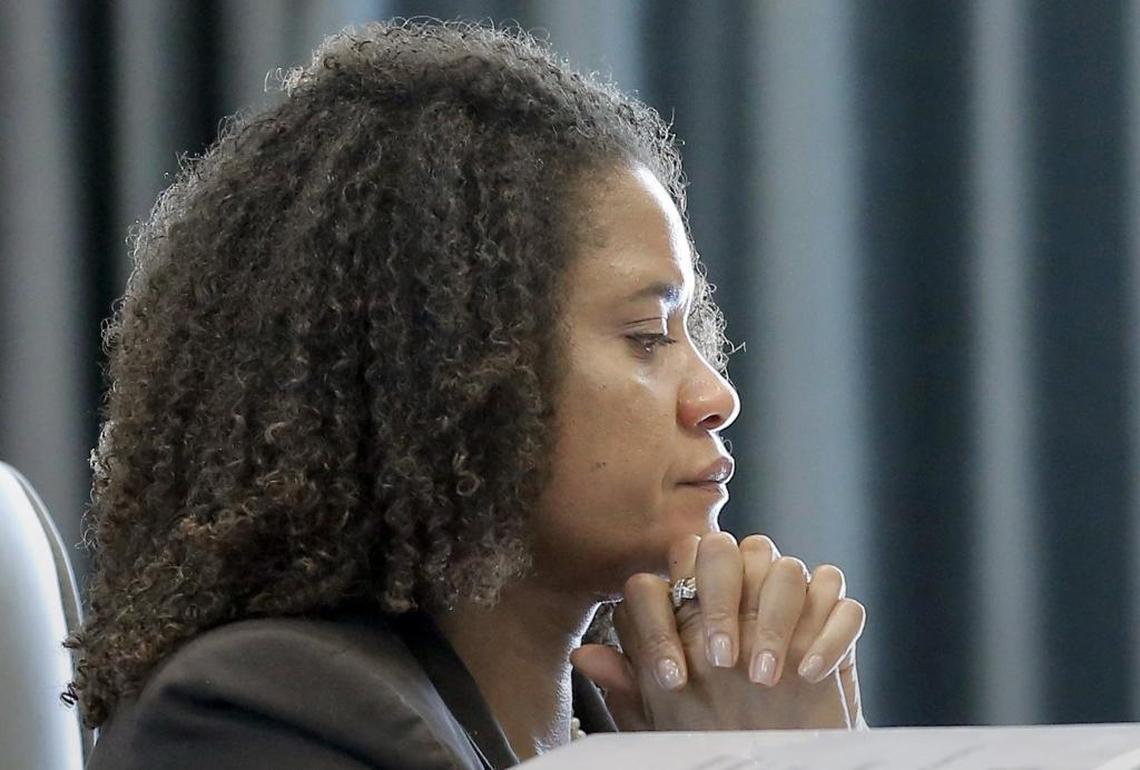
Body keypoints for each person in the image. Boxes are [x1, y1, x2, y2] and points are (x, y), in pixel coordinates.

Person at [68, 20, 867, 770]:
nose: (717, 394)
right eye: (648, 336)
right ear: (453, 372)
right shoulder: (256, 716)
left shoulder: (633, 719)